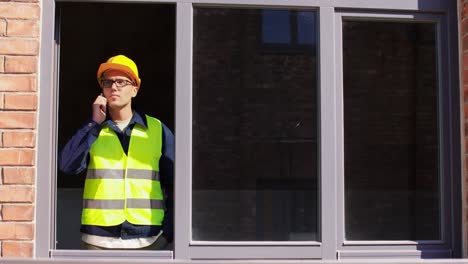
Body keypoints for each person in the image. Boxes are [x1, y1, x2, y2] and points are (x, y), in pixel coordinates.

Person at [59, 55, 174, 250]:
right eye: (108, 82)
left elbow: (176, 184)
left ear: (135, 89)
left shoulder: (158, 130)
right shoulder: (93, 130)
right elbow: (67, 165)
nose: (114, 87)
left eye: (121, 81)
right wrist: (93, 123)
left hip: (148, 239)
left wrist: (169, 232)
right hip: (98, 240)